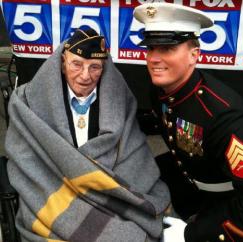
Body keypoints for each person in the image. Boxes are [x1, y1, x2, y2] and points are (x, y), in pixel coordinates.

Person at [5, 27, 171, 241]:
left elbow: (135, 155)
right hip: (51, 191)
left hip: (106, 197)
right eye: (77, 64)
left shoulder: (121, 102)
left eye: (94, 67)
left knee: (129, 232)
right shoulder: (28, 101)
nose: (85, 76)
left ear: (104, 68)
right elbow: (25, 157)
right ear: (63, 63)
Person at [134, 2, 243, 242]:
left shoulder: (224, 118)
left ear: (194, 54)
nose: (154, 59)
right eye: (151, 48)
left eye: (167, 49)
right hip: (188, 178)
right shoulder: (161, 89)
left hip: (226, 199)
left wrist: (191, 234)